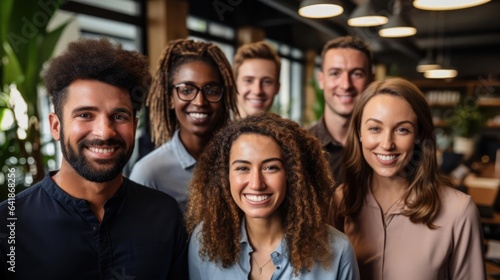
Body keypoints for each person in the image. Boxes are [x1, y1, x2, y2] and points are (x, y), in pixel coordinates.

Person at [0, 38, 188, 279]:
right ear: (56, 126)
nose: (105, 132)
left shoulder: (164, 215)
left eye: (119, 116)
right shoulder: (10, 224)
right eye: (85, 114)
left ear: (134, 124)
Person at [334, 78, 485, 280]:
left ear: (419, 135)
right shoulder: (342, 200)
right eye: (375, 128)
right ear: (359, 132)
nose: (387, 144)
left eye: (402, 129)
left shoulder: (458, 211)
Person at [186, 112, 359, 279]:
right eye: (242, 168)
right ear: (225, 176)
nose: (256, 184)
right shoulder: (204, 241)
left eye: (271, 167)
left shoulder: (337, 251)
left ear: (292, 175)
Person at [129, 39, 239, 211]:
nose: (200, 101)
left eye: (211, 90)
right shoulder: (149, 173)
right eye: (187, 90)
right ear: (171, 98)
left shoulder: (240, 161)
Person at [309, 36, 374, 181]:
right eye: (335, 73)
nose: (346, 85)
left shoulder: (384, 147)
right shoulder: (301, 147)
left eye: (357, 74)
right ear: (321, 80)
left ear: (371, 80)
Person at [233, 41, 281, 118]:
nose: (257, 91)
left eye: (267, 82)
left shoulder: (283, 129)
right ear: (234, 85)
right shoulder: (216, 128)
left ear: (277, 88)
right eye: (248, 80)